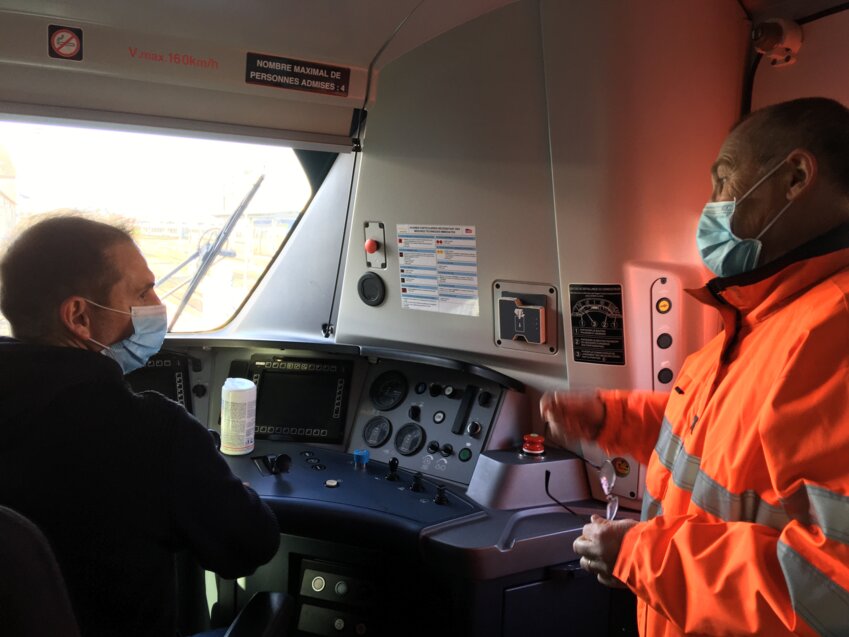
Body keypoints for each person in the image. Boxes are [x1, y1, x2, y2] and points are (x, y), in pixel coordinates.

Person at [541, 97, 849, 636]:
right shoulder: (762, 314)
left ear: (796, 177)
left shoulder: (834, 333)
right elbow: (728, 437)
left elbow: (832, 590)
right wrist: (611, 419)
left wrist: (642, 558)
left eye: (724, 180)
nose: (711, 205)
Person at [0, 214, 280, 637]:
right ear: (78, 316)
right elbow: (249, 546)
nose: (155, 303)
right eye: (143, 290)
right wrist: (233, 490)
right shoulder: (153, 431)